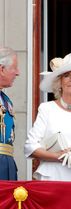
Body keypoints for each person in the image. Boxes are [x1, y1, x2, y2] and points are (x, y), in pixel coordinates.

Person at [24, 53, 71, 181]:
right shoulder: (46, 108)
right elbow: (30, 147)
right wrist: (58, 156)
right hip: (53, 177)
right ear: (59, 82)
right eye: (67, 76)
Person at [0, 47, 20, 180]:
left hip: (6, 165)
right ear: (1, 69)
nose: (18, 73)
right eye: (14, 68)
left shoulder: (6, 100)